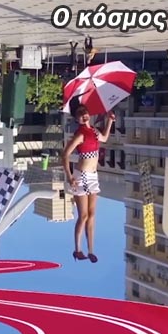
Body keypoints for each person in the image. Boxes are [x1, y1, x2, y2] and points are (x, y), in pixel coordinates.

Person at [61, 104, 115, 263]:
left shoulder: (94, 131)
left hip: (93, 176)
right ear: (76, 119)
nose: (84, 115)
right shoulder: (80, 134)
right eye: (80, 114)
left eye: (85, 113)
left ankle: (91, 250)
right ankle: (77, 249)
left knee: (92, 215)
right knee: (83, 215)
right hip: (82, 176)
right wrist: (69, 176)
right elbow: (65, 155)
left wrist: (109, 121)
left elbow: (104, 138)